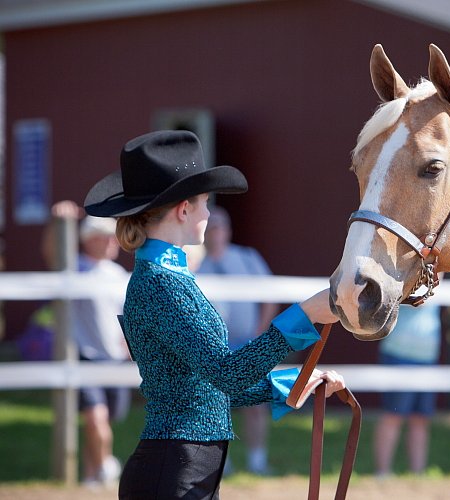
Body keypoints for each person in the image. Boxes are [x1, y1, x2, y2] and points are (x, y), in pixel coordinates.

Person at [83, 129, 343, 499]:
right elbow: (228, 373)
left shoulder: (170, 277)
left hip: (185, 470)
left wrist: (294, 384)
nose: (209, 212)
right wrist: (303, 316)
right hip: (174, 473)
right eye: (205, 202)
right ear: (184, 209)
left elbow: (206, 386)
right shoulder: (160, 284)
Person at [26, 200, 131, 487]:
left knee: (102, 422)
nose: (112, 241)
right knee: (96, 419)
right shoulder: (75, 268)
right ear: (89, 239)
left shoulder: (118, 275)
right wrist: (56, 222)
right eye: (105, 236)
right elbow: (51, 253)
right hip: (84, 355)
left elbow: (127, 317)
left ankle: (90, 476)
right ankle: (107, 468)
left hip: (115, 359)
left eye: (113, 236)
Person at [198, 205, 279, 475]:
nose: (215, 231)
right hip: (214, 349)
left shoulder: (246, 258)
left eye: (220, 226)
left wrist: (259, 333)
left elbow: (270, 296)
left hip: (248, 342)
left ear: (228, 231)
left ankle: (258, 460)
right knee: (216, 405)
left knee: (255, 403)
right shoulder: (195, 265)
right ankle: (221, 463)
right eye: (211, 226)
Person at [373, 302, 441, 477]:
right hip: (399, 353)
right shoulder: (408, 273)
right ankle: (382, 473)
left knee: (421, 418)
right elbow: (419, 302)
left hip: (427, 357)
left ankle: (418, 473)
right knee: (392, 415)